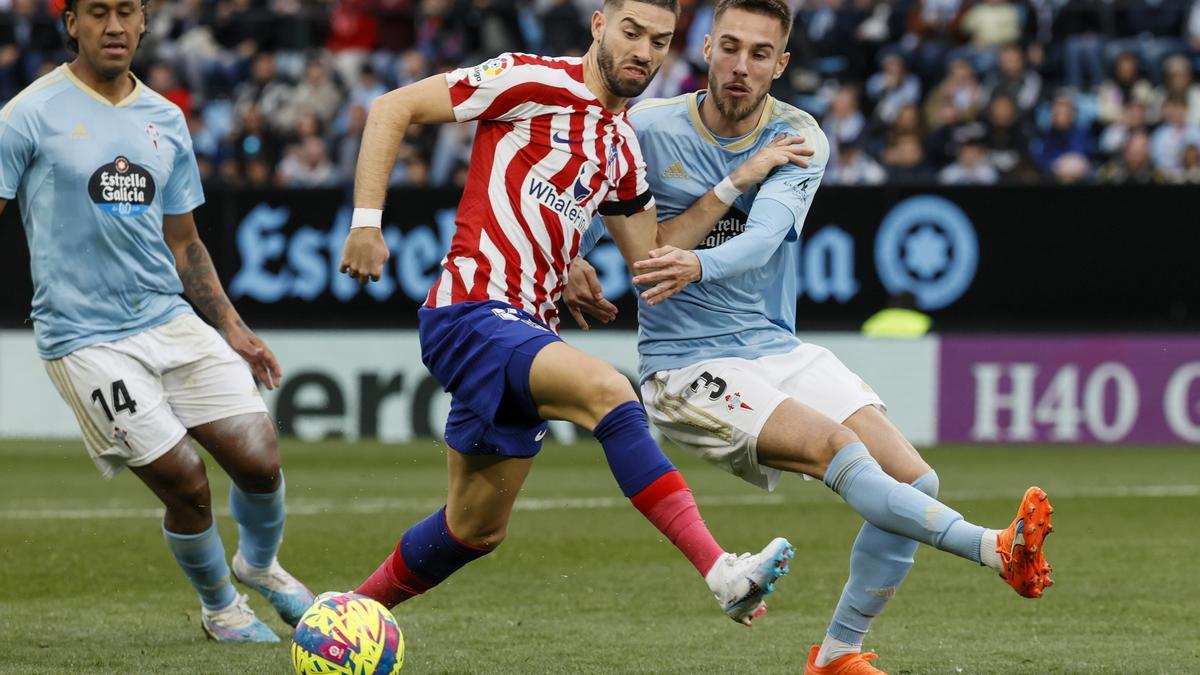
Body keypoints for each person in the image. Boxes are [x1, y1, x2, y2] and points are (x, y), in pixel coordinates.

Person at [564, 0, 1055, 672]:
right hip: (685, 365)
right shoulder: (646, 127)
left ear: (782, 63)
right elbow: (574, 196)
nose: (741, 66)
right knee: (839, 447)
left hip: (775, 346)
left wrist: (694, 260)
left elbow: (764, 239)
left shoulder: (799, 135)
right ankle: (995, 547)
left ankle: (838, 653)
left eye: (760, 54)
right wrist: (567, 257)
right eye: (730, 47)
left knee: (917, 477)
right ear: (706, 47)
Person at [336, 0, 810, 627]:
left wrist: (740, 179)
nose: (643, 50)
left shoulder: (620, 147)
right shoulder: (531, 80)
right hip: (472, 309)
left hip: (527, 329)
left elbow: (654, 256)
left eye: (659, 41)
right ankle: (721, 571)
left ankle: (346, 612)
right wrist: (366, 223)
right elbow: (394, 106)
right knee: (610, 392)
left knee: (473, 529)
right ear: (599, 26)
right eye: (631, 32)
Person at [0, 0, 313, 643]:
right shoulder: (27, 114)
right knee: (186, 482)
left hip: (168, 318)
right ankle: (223, 610)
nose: (114, 27)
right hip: (84, 337)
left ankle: (259, 563)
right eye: (97, 13)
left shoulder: (166, 118)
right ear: (72, 24)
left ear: (144, 22)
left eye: (126, 13)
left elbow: (186, 242)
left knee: (260, 460)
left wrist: (231, 326)